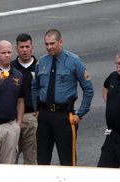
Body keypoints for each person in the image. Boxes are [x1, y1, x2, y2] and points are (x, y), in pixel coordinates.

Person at [31, 29, 94, 166]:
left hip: (64, 116)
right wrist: (36, 110)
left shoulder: (73, 61)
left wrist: (80, 113)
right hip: (44, 116)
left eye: (52, 43)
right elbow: (35, 86)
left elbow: (88, 88)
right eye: (46, 44)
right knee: (42, 160)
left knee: (67, 161)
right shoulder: (42, 62)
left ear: (61, 42)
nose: (49, 47)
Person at [11, 33, 38, 164]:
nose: (25, 50)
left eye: (27, 46)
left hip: (32, 117)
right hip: (13, 118)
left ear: (32, 47)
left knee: (32, 158)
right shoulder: (11, 67)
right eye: (22, 47)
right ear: (16, 49)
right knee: (11, 157)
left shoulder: (40, 66)